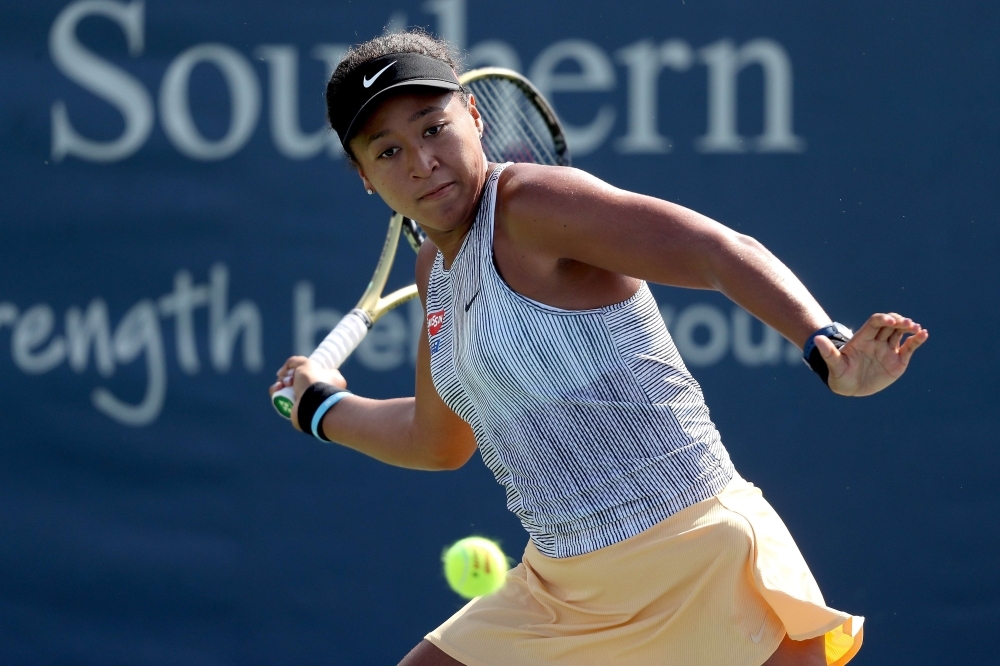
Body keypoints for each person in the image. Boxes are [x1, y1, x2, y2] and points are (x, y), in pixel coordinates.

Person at [270, 30, 927, 666]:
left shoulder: (532, 203)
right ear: (362, 175)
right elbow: (436, 440)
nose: (421, 162)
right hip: (561, 597)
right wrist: (322, 408)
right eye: (387, 152)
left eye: (433, 128)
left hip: (698, 561)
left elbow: (718, 252)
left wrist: (826, 345)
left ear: (473, 115)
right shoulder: (433, 277)